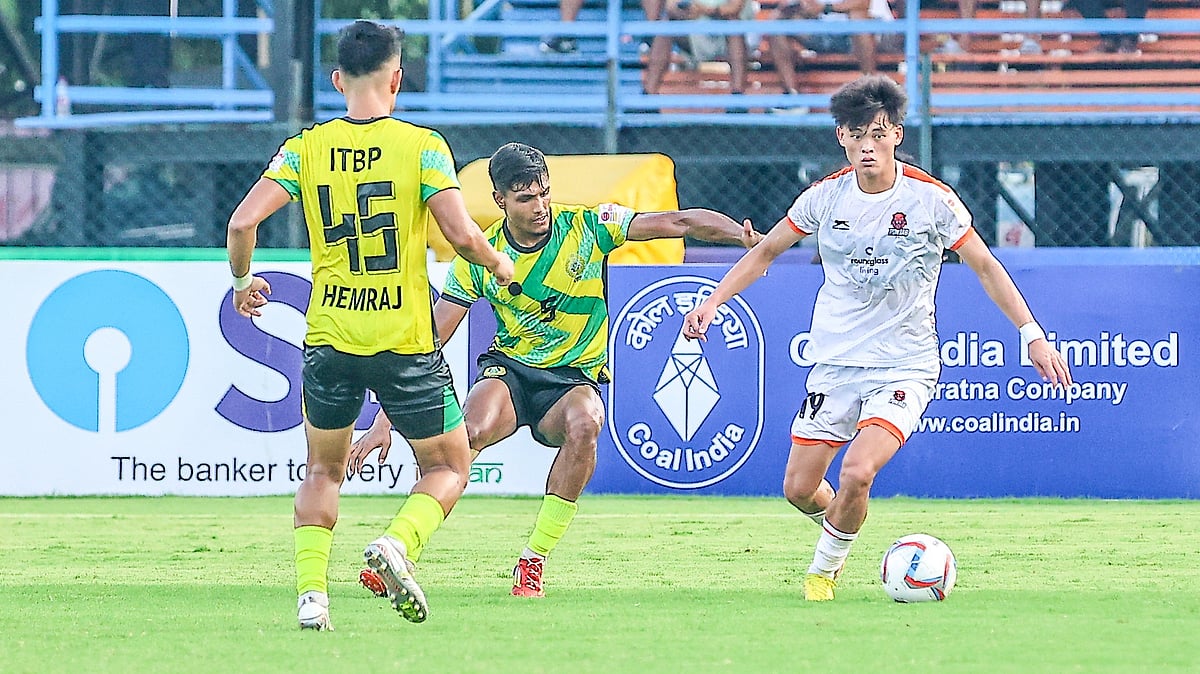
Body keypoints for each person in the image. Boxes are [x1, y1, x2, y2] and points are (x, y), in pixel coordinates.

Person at [680, 74, 1072, 601]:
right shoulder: (824, 198)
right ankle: (845, 522)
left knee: (858, 471)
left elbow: (985, 265)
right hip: (836, 363)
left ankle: (822, 574)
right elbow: (766, 251)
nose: (868, 145)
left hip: (905, 363)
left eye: (879, 134)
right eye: (858, 134)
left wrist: (1032, 335)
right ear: (841, 137)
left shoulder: (932, 200)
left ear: (897, 136)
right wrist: (712, 302)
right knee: (799, 489)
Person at [351, 141, 761, 598]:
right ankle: (400, 549)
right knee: (467, 436)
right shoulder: (481, 255)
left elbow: (679, 222)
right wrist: (384, 419)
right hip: (510, 370)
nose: (540, 206)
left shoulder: (588, 226)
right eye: (526, 198)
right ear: (500, 200)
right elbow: (431, 342)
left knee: (587, 423)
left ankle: (533, 559)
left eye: (544, 193)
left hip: (571, 379)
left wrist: (741, 237)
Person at [225, 20, 514, 630]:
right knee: (448, 467)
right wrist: (498, 263)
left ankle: (312, 598)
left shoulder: (305, 148)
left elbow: (241, 223)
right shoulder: (423, 146)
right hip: (403, 341)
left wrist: (244, 283)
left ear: (337, 80)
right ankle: (397, 544)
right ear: (397, 79)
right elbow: (462, 235)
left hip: (330, 338)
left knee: (322, 471)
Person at [766, 0, 897, 100]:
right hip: (824, 32)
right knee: (778, 23)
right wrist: (804, 7)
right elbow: (788, 7)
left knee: (858, 17)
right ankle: (792, 96)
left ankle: (871, 90)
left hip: (869, 35)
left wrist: (825, 8)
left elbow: (861, 3)